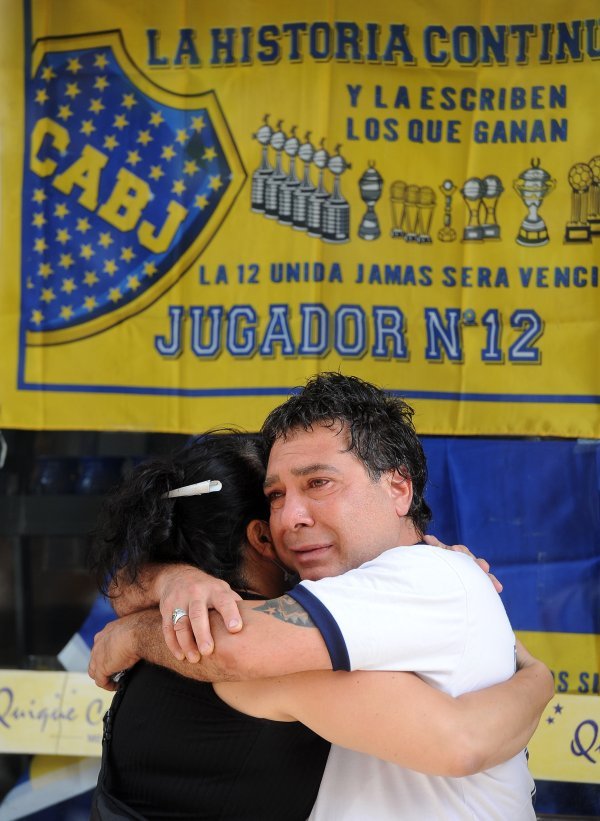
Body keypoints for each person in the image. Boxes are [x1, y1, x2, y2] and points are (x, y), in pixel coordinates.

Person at [90, 375, 552, 819]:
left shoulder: (424, 576)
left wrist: (134, 632)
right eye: (275, 495)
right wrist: (168, 579)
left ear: (399, 487)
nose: (290, 516)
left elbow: (233, 645)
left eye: (318, 483)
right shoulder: (337, 601)